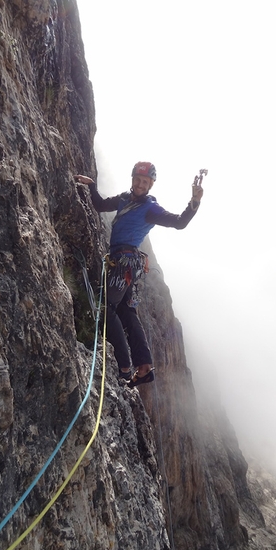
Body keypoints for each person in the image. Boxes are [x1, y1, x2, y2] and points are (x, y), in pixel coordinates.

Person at [74, 162, 204, 387]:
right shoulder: (125, 199)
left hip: (124, 262)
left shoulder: (150, 208)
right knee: (126, 310)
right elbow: (101, 205)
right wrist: (92, 186)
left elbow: (179, 222)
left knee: (107, 307)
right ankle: (144, 367)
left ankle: (124, 367)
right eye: (138, 180)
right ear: (132, 179)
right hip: (127, 264)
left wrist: (194, 203)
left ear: (151, 185)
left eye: (145, 182)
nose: (140, 185)